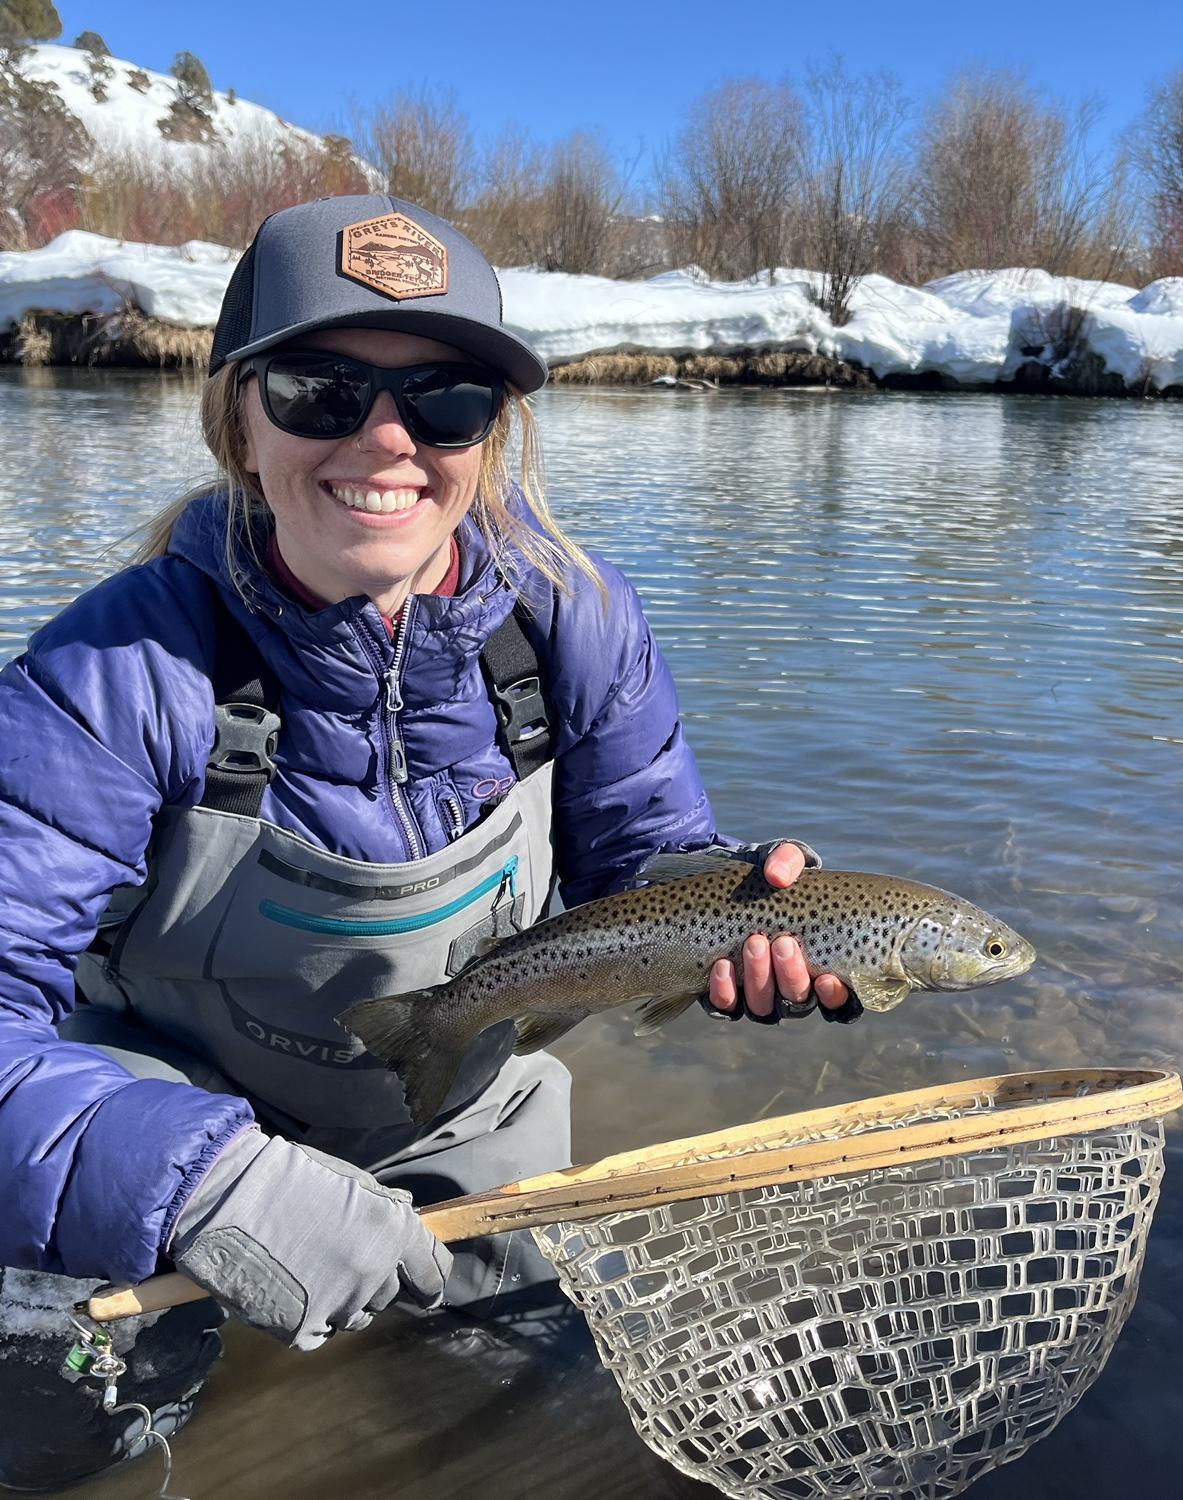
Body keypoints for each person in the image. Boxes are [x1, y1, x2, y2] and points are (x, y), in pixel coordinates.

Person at [0, 193, 853, 1492]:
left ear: (490, 434)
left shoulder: (575, 617)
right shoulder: (113, 670)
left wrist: (744, 916)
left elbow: (638, 870)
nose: (387, 439)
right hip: (161, 1122)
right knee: (61, 1431)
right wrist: (196, 1181)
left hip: (462, 1123)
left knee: (519, 1439)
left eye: (445, 400)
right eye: (320, 390)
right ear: (238, 421)